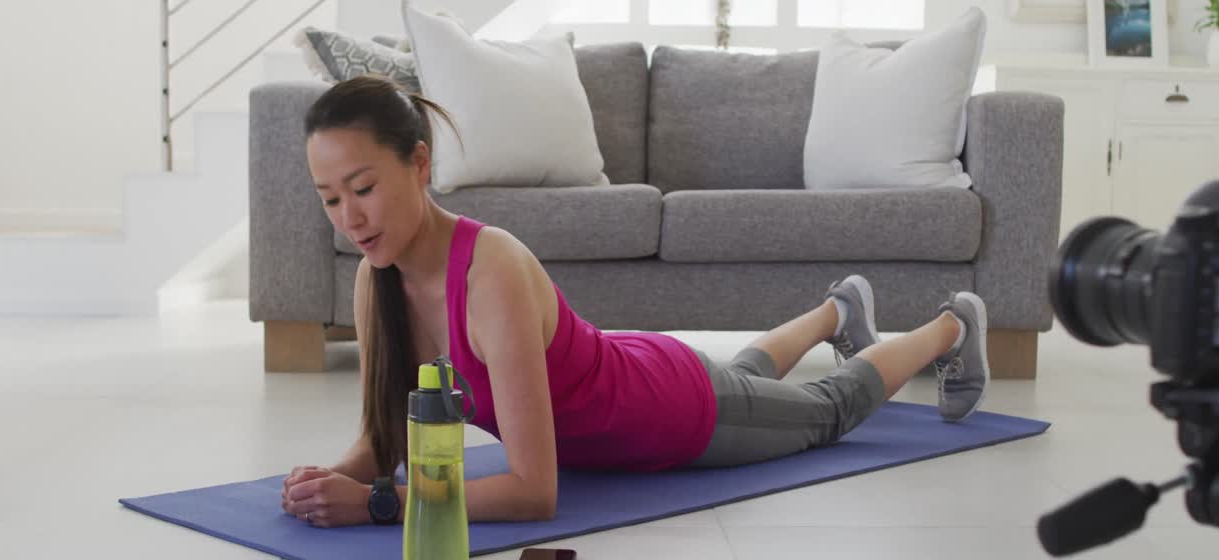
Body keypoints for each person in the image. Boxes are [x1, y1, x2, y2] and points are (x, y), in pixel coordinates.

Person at [281, 76, 990, 528]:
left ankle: (951, 325)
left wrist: (380, 504)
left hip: (676, 417)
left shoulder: (489, 271)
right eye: (331, 198)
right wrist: (329, 480)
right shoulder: (375, 282)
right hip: (643, 372)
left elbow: (533, 492)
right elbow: (384, 442)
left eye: (364, 188)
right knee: (744, 381)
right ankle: (837, 312)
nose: (350, 217)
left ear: (421, 165)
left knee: (828, 411)